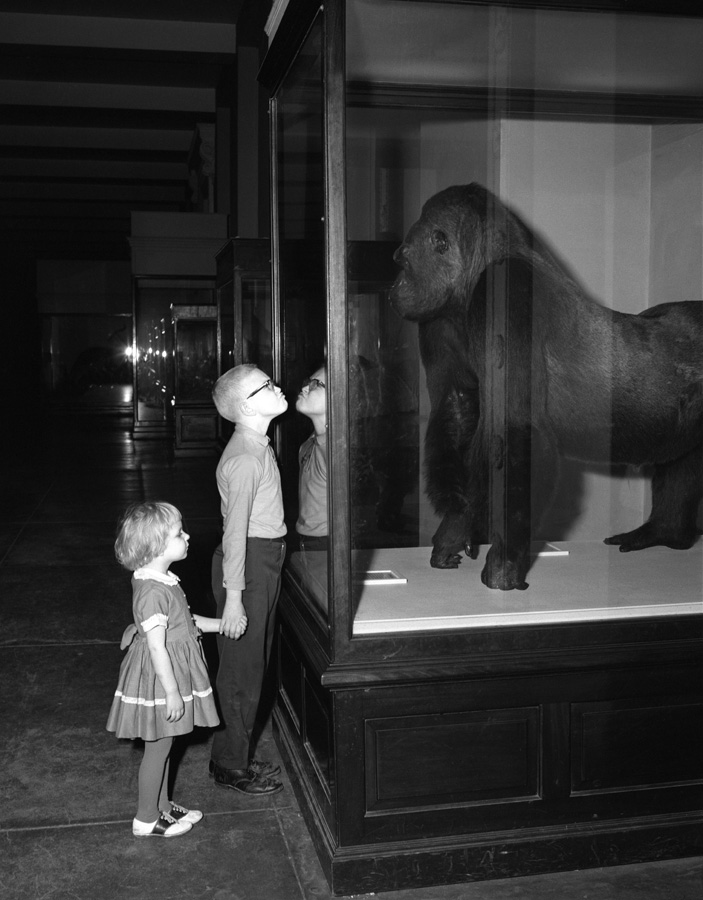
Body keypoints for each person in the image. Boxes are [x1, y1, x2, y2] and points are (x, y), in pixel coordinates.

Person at [106, 501, 221, 838]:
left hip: (168, 669)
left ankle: (163, 806)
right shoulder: (152, 592)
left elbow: (184, 624)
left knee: (165, 742)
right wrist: (172, 692)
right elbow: (157, 646)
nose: (187, 536)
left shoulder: (162, 579)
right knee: (158, 746)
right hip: (159, 678)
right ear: (156, 547)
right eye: (178, 533)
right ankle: (146, 818)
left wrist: (222, 624)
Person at [209, 364, 287, 795]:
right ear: (245, 406)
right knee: (241, 670)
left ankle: (234, 751)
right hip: (248, 564)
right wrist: (234, 599)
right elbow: (234, 533)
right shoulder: (244, 457)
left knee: (254, 665)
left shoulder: (257, 445)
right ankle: (229, 764)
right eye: (267, 385)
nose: (278, 388)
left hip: (263, 559)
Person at [295, 366, 328, 551]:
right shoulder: (309, 443)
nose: (305, 388)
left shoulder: (334, 448)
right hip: (308, 539)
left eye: (316, 384)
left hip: (326, 542)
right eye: (307, 382)